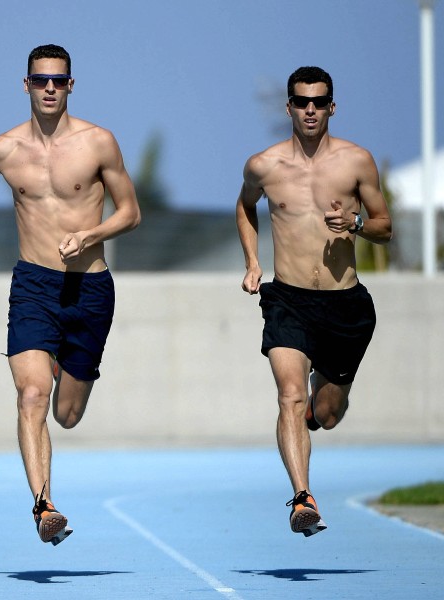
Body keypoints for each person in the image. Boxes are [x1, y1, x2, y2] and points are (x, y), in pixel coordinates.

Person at [0, 44, 140, 545]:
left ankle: (60, 362)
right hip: (34, 285)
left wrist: (91, 235)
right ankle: (44, 506)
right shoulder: (4, 149)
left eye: (58, 80)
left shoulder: (99, 142)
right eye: (40, 80)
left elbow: (130, 213)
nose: (50, 88)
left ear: (71, 85)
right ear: (26, 85)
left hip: (90, 288)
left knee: (67, 414)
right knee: (32, 394)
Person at [236, 66, 392, 537]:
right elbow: (244, 207)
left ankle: (310, 419)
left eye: (319, 102)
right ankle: (302, 497)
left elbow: (385, 227)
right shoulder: (263, 165)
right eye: (302, 102)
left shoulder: (356, 162)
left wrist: (358, 225)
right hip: (287, 299)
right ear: (288, 107)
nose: (310, 110)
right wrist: (252, 262)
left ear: (331, 107)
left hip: (344, 306)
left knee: (326, 413)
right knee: (289, 392)